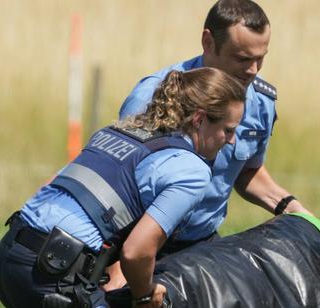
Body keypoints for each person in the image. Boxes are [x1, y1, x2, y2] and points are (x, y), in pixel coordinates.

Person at [0, 67, 246, 308]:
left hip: (12, 256)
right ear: (200, 119)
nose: (231, 141)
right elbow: (137, 251)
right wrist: (145, 294)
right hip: (56, 275)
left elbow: (53, 185)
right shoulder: (190, 169)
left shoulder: (119, 132)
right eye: (228, 130)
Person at [119, 0, 309, 258]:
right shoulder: (153, 97)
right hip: (140, 242)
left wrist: (294, 210)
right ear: (208, 42)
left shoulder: (261, 102)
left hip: (201, 243)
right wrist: (122, 263)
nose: (253, 70)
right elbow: (121, 180)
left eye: (261, 58)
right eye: (242, 58)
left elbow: (247, 171)